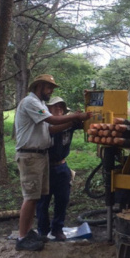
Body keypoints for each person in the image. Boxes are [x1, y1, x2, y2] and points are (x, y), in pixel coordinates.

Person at [14, 74, 92, 251]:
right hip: (30, 155)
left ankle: (27, 233)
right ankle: (21, 238)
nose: (50, 92)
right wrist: (75, 116)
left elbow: (51, 128)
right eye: (49, 88)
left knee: (36, 197)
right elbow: (52, 120)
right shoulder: (30, 102)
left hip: (40, 156)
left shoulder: (40, 104)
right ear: (39, 86)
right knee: (31, 197)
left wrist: (73, 122)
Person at [36, 96, 82, 242]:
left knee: (62, 199)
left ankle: (57, 229)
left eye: (61, 107)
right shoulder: (45, 124)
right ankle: (43, 231)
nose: (59, 109)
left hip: (62, 166)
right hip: (45, 167)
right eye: (55, 107)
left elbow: (85, 121)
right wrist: (72, 120)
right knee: (43, 200)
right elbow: (53, 130)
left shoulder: (70, 123)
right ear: (48, 110)